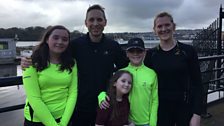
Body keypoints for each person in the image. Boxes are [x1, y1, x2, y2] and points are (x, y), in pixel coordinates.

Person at [21, 4, 128, 126]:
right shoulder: (75, 45)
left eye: (99, 19)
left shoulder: (113, 46)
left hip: (105, 105)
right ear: (86, 23)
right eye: (91, 20)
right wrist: (29, 59)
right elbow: (54, 54)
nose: (95, 23)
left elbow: (125, 69)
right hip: (78, 108)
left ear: (105, 22)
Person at [144, 12, 203, 126]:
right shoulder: (151, 55)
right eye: (159, 26)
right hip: (160, 109)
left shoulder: (188, 51)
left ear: (174, 27)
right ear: (154, 30)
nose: (164, 29)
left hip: (184, 106)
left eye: (167, 25)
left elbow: (197, 84)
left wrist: (197, 113)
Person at [22, 25, 78, 126]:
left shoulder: (71, 63)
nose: (60, 42)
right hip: (37, 120)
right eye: (55, 38)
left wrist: (64, 122)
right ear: (47, 39)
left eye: (64, 39)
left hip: (63, 118)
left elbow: (73, 93)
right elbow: (34, 98)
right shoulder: (31, 62)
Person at [99, 38, 159, 126]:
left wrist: (153, 123)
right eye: (132, 51)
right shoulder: (121, 72)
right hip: (125, 122)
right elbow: (112, 91)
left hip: (146, 122)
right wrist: (101, 95)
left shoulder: (152, 74)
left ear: (144, 53)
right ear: (127, 53)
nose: (135, 54)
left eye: (139, 51)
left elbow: (155, 100)